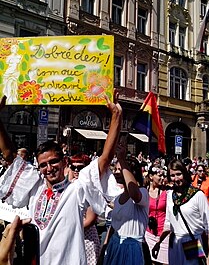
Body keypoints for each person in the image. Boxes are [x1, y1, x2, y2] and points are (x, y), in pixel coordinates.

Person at [0, 91, 122, 265]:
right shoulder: (35, 187)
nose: (49, 168)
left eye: (53, 162)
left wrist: (116, 115)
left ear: (64, 161)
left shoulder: (77, 189)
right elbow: (10, 155)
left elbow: (105, 159)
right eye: (43, 165)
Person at [152, 159, 209, 265]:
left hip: (191, 242)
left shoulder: (197, 195)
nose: (176, 178)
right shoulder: (170, 196)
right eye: (172, 175)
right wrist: (159, 242)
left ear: (184, 174)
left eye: (179, 174)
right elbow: (168, 224)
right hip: (174, 243)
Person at [103, 142, 151, 265]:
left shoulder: (143, 192)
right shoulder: (118, 198)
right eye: (116, 169)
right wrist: (105, 248)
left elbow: (134, 193)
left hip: (133, 249)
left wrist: (122, 160)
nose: (117, 173)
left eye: (121, 170)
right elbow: (114, 227)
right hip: (115, 246)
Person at [144, 164, 168, 265]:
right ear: (151, 176)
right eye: (159, 175)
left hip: (165, 233)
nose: (162, 178)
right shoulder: (144, 191)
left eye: (163, 175)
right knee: (152, 262)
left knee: (166, 262)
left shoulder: (167, 192)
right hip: (149, 233)